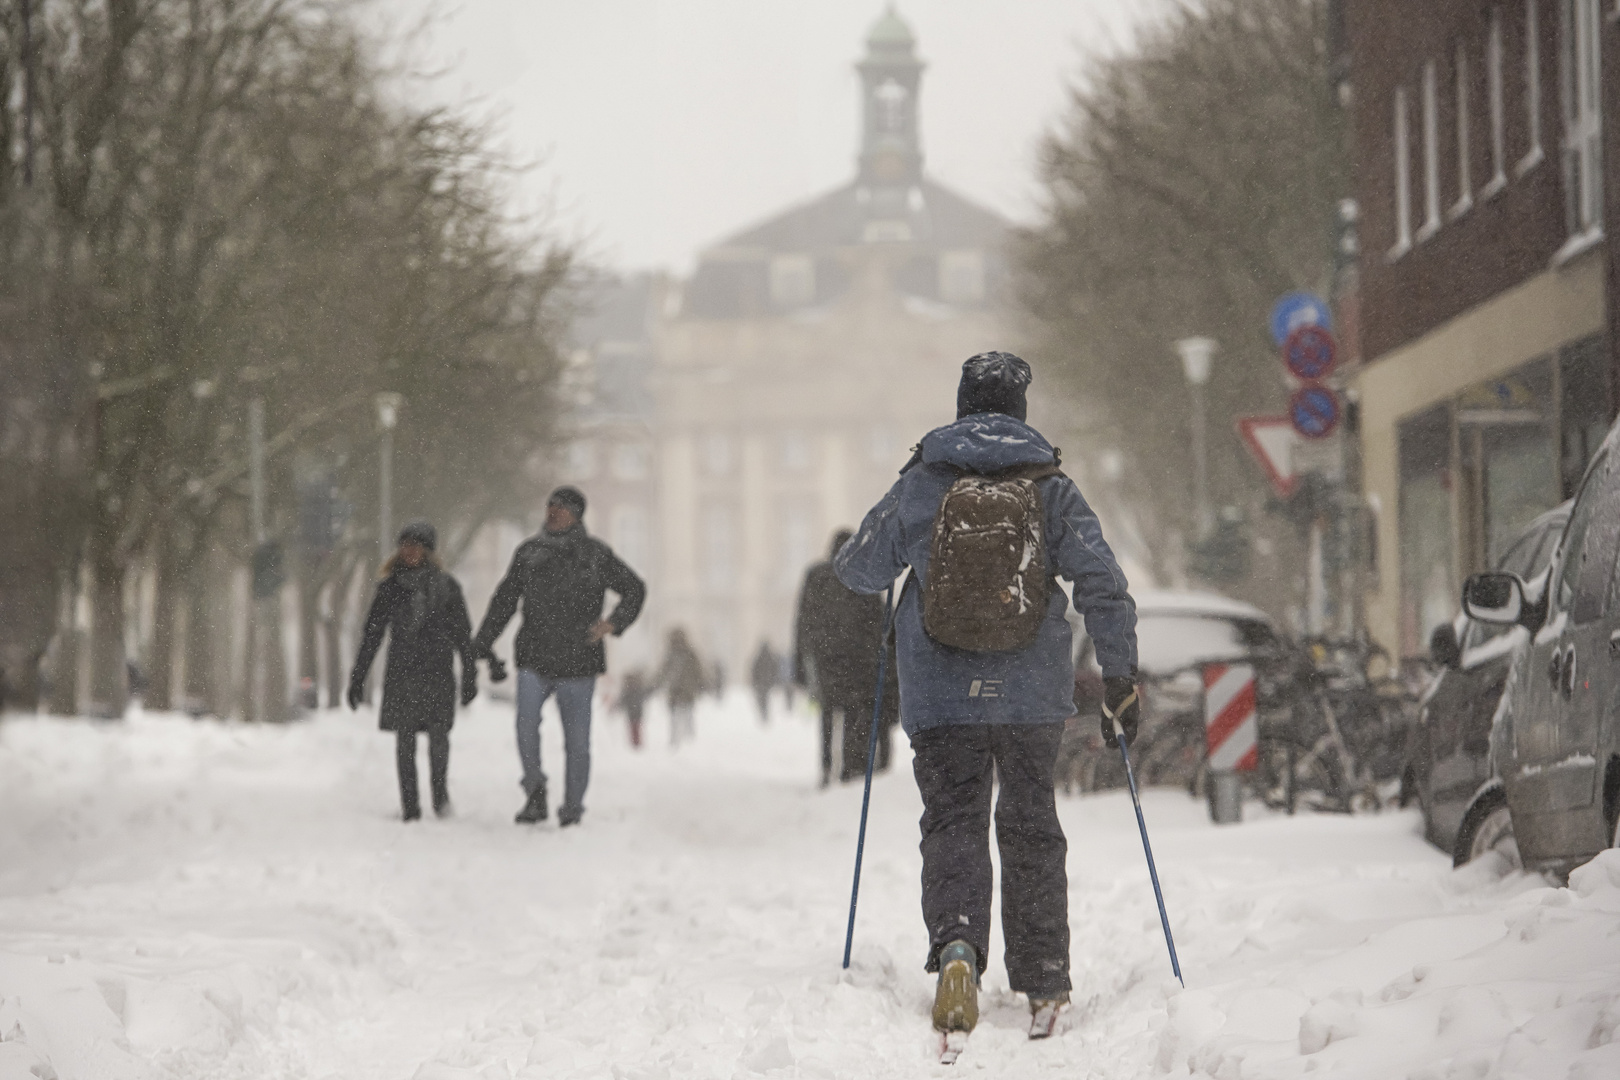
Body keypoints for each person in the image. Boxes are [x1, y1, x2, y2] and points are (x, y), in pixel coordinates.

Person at [834, 352, 1139, 1041]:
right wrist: (1120, 677)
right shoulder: (1051, 486)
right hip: (1032, 692)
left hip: (941, 693)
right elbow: (1103, 586)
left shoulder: (923, 482)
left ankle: (958, 950)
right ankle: (1045, 978)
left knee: (953, 819)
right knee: (1031, 822)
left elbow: (858, 568)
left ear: (962, 404)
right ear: (1021, 409)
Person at [472, 486, 645, 827]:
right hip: (534, 656)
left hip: (579, 661)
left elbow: (635, 589)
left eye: (561, 508)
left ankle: (572, 808)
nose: (553, 512)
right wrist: (483, 641)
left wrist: (613, 623)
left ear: (576, 514)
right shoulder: (529, 552)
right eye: (550, 506)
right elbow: (505, 600)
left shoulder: (596, 554)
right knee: (525, 727)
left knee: (577, 742)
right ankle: (535, 790)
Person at [347, 522, 478, 821]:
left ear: (428, 551)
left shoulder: (447, 588)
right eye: (405, 544)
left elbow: (462, 634)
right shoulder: (389, 589)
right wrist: (358, 677)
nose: (409, 551)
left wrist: (470, 674)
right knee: (405, 740)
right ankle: (410, 804)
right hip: (403, 672)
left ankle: (440, 798)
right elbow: (372, 635)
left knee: (439, 738)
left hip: (438, 671)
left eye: (416, 545)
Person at [794, 530, 899, 787]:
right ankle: (852, 767)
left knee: (828, 715)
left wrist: (801, 665)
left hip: (826, 660)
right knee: (855, 713)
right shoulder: (862, 575)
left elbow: (803, 622)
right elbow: (878, 622)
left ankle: (828, 764)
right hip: (859, 662)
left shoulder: (817, 575)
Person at [654, 627, 705, 746]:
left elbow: (698, 671)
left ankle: (685, 740)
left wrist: (700, 684)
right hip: (680, 691)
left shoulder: (685, 653)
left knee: (684, 715)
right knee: (682, 716)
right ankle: (681, 739)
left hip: (682, 690)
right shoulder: (675, 654)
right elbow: (663, 672)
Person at [618, 669, 651, 748]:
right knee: (634, 727)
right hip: (634, 712)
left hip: (634, 712)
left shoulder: (632, 690)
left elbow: (623, 701)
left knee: (635, 727)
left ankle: (636, 742)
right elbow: (623, 701)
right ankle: (635, 742)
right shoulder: (632, 691)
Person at [749, 642, 779, 723]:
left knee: (761, 700)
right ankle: (765, 714)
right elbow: (774, 671)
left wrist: (754, 682)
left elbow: (753, 671)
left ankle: (763, 714)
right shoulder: (770, 658)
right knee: (765, 700)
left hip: (760, 684)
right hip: (767, 684)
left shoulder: (758, 658)